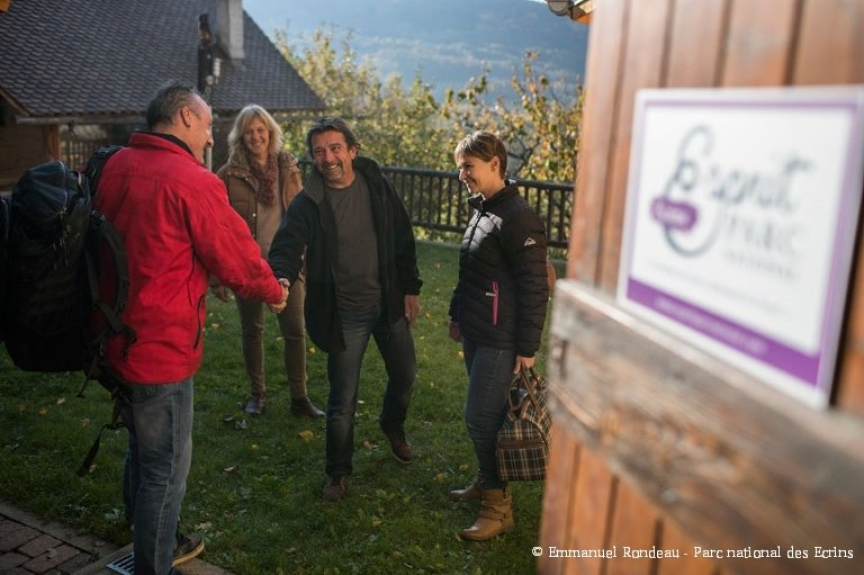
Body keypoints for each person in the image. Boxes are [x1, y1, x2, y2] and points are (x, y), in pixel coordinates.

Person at [94, 81, 289, 575]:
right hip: (160, 350)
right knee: (165, 471)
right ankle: (154, 564)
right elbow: (237, 256)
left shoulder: (116, 165)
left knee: (142, 450)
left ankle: (147, 542)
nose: (210, 136)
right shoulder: (191, 180)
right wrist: (274, 291)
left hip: (112, 341)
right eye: (206, 124)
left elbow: (148, 246)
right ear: (183, 116)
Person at [269, 117, 423, 502]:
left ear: (352, 151)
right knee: (342, 402)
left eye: (335, 148)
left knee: (405, 375)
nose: (328, 158)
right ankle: (338, 472)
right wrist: (282, 277)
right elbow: (286, 245)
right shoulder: (309, 202)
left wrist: (410, 288)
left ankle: (392, 424)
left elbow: (402, 236)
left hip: (387, 302)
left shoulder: (377, 186)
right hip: (344, 314)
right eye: (319, 151)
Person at [447, 131, 549, 540]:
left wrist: (527, 347)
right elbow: (471, 271)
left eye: (468, 166)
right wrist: (456, 315)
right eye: (460, 167)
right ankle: (487, 480)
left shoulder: (518, 217)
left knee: (481, 418)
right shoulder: (484, 209)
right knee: (486, 417)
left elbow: (535, 287)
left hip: (500, 339)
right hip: (477, 330)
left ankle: (498, 508)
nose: (462, 175)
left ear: (495, 164)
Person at [215, 105, 324, 418]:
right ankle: (257, 395)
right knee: (253, 330)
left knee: (295, 331)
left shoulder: (288, 166)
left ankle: (299, 398)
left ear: (270, 132)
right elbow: (217, 228)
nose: (256, 137)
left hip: (287, 263)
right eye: (249, 131)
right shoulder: (228, 175)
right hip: (248, 266)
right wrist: (218, 276)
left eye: (261, 130)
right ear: (241, 136)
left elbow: (301, 214)